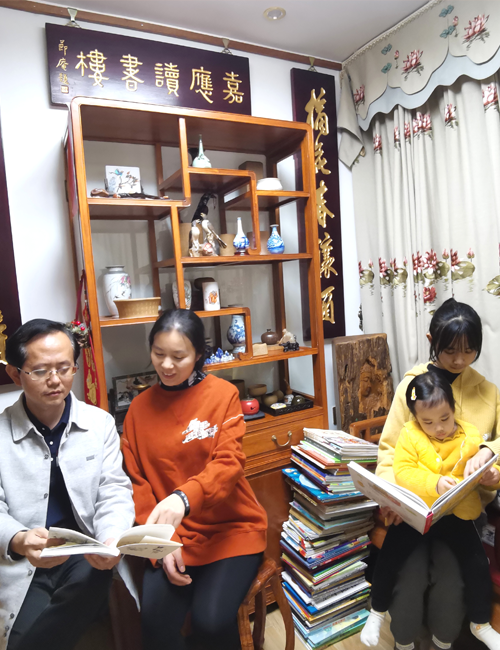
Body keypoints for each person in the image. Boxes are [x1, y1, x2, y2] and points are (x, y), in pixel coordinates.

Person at [121, 309, 268, 650]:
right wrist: (162, 542)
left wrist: (184, 498)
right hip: (173, 536)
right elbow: (138, 484)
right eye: (158, 353)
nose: (166, 365)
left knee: (211, 622)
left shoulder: (222, 395)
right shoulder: (138, 410)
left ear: (199, 354)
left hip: (231, 529)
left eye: (179, 356)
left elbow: (229, 463)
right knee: (155, 624)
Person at [0, 319, 135, 650]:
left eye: (64, 368)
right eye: (40, 371)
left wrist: (111, 536)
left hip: (84, 551)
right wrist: (18, 539)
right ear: (15, 374)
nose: (55, 380)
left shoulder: (99, 424)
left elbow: (114, 490)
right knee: (19, 637)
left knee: (86, 584)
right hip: (25, 556)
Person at [376, 298, 500, 648]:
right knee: (409, 575)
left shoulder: (488, 393)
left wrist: (491, 456)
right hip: (414, 511)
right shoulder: (411, 387)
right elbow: (389, 451)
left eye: (469, 350)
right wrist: (393, 500)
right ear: (432, 341)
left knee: (452, 580)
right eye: (450, 351)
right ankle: (403, 641)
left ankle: (444, 641)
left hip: (463, 514)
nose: (460, 360)